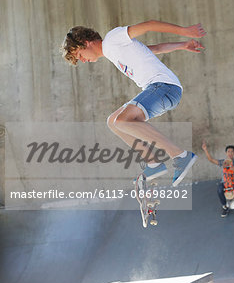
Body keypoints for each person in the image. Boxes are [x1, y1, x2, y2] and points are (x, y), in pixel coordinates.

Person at [60, 20, 206, 187]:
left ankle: (180, 156)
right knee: (113, 122)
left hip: (164, 87)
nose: (83, 61)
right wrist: (183, 45)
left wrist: (185, 31)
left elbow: (149, 25)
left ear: (86, 43)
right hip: (160, 90)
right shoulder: (112, 52)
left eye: (79, 55)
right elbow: (154, 49)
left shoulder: (113, 39)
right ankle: (153, 163)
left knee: (122, 120)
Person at [202, 141, 234, 217]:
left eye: (232, 151)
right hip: (224, 182)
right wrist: (205, 150)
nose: (230, 153)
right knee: (219, 189)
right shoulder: (223, 162)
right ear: (226, 153)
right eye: (228, 151)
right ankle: (225, 207)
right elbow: (211, 159)